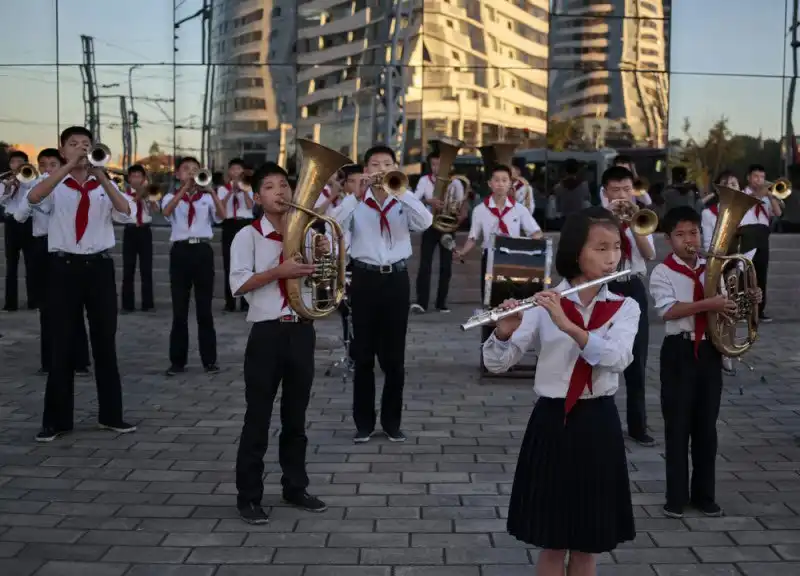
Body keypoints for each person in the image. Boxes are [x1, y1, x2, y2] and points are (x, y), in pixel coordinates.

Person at [484, 206, 639, 575]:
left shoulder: (625, 307)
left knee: (588, 544)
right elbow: (497, 364)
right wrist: (503, 332)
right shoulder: (544, 303)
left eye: (616, 247)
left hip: (598, 422)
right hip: (553, 422)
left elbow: (616, 359)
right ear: (575, 252)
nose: (612, 257)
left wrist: (569, 326)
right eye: (601, 248)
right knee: (552, 541)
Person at [230, 161, 329, 524]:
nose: (280, 192)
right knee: (257, 417)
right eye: (270, 187)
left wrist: (321, 258)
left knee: (296, 418)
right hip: (267, 333)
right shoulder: (247, 236)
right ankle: (248, 497)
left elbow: (322, 282)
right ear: (257, 197)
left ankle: (295, 486)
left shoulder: (308, 232)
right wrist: (278, 272)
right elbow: (238, 285)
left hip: (302, 329)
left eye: (284, 185)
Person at [27, 126, 137, 442]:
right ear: (62, 151)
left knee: (105, 343)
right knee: (61, 344)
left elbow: (126, 212)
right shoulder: (54, 184)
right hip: (63, 269)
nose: (80, 148)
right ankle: (57, 421)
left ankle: (111, 415)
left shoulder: (105, 184)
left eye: (86, 144)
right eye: (73, 144)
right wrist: (66, 168)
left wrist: (101, 175)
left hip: (99, 269)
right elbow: (34, 198)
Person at [649, 206, 761, 519]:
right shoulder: (662, 272)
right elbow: (668, 311)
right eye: (680, 234)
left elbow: (730, 307)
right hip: (679, 351)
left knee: (706, 428)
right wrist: (708, 303)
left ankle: (704, 496)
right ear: (669, 239)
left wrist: (749, 299)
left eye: (694, 232)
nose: (689, 240)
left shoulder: (717, 268)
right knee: (677, 426)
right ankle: (675, 498)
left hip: (710, 349)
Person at [332, 145, 433, 444]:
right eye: (375, 164)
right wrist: (354, 196)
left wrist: (401, 192)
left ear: (396, 167)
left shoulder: (403, 200)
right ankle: (363, 423)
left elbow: (425, 222)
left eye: (387, 164)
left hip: (396, 280)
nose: (381, 169)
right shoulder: (355, 203)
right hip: (364, 278)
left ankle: (392, 423)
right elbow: (333, 226)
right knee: (363, 355)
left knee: (394, 358)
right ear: (365, 170)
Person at [14, 148, 91, 376]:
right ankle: (49, 361)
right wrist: (35, 192)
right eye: (43, 165)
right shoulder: (36, 186)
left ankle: (80, 361)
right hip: (41, 248)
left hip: (66, 249)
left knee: (74, 306)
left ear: (62, 165)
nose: (47, 169)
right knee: (46, 308)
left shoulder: (69, 187)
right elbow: (19, 216)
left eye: (53, 165)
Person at [603, 165, 657, 447]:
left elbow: (649, 254)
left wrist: (633, 226)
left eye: (626, 189)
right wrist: (612, 222)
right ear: (605, 192)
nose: (622, 195)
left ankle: (638, 426)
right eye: (616, 190)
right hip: (605, 287)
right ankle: (604, 424)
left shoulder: (641, 218)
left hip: (633, 286)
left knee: (637, 358)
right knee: (602, 356)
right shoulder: (597, 220)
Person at [161, 156, 226, 375]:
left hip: (202, 251)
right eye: (186, 169)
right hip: (180, 251)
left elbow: (222, 216)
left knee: (204, 309)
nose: (190, 172)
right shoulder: (171, 196)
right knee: (179, 310)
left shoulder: (206, 198)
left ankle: (209, 360)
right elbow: (166, 212)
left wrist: (212, 192)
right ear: (177, 174)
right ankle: (177, 361)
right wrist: (184, 190)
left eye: (195, 169)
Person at [454, 164, 543, 304]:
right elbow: (473, 237)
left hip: (513, 258)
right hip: (490, 257)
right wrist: (462, 252)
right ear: (490, 184)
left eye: (504, 180)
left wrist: (532, 249)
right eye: (496, 180)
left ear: (510, 184)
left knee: (513, 298)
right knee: (490, 299)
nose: (500, 184)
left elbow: (536, 232)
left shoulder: (519, 209)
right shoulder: (480, 210)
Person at [411, 151, 465, 314]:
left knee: (446, 266)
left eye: (440, 164)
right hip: (429, 225)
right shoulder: (424, 180)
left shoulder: (455, 182)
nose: (437, 168)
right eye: (433, 165)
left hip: (447, 227)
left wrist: (456, 213)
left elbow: (460, 203)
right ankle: (421, 302)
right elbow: (414, 200)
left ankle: (441, 303)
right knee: (425, 265)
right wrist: (428, 201)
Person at [737, 164, 781, 322]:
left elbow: (778, 213)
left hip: (762, 235)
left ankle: (759, 310)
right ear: (748, 178)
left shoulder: (766, 198)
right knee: (745, 273)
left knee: (761, 274)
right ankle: (742, 310)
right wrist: (759, 194)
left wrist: (771, 197)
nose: (759, 180)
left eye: (762, 177)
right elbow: (744, 207)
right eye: (756, 177)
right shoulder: (742, 194)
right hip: (747, 234)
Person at [1, 150, 37, 310]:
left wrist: (22, 181)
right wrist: (8, 187)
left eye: (20, 161)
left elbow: (34, 194)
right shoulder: (5, 180)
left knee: (31, 263)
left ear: (26, 163)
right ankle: (10, 303)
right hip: (11, 223)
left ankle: (33, 302)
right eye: (13, 162)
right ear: (10, 164)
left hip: (28, 222)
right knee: (11, 265)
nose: (16, 164)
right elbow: (1, 200)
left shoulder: (32, 178)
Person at [218, 158, 255, 312]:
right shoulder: (222, 189)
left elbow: (250, 206)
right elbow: (220, 207)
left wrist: (244, 191)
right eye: (233, 169)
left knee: (246, 263)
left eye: (238, 169)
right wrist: (230, 192)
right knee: (229, 263)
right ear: (229, 172)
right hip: (229, 224)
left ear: (243, 172)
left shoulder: (249, 187)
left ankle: (246, 302)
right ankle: (230, 302)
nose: (236, 172)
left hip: (244, 223)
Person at [121, 164, 157, 313]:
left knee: (146, 269)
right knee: (128, 269)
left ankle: (148, 304)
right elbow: (128, 208)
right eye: (133, 176)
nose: (136, 179)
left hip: (145, 231)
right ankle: (127, 305)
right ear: (129, 179)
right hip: (130, 231)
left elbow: (156, 210)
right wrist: (140, 193)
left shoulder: (151, 192)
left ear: (143, 178)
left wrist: (149, 196)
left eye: (139, 176)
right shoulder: (124, 195)